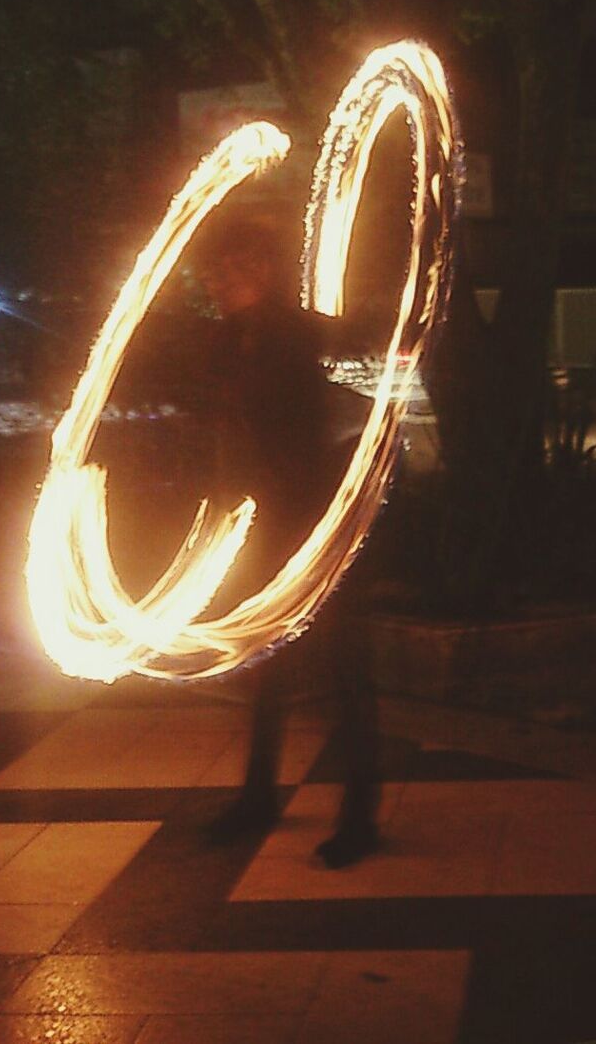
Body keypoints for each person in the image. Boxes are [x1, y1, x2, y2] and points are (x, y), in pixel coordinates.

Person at [196, 213, 381, 869]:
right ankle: (257, 797)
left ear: (263, 270)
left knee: (342, 671)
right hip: (265, 524)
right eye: (213, 270)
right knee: (265, 668)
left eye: (230, 268)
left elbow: (348, 414)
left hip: (318, 527)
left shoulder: (303, 336)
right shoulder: (226, 340)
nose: (215, 279)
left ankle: (360, 816)